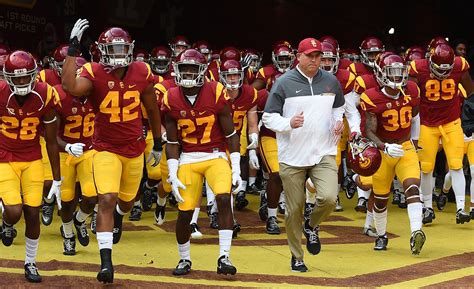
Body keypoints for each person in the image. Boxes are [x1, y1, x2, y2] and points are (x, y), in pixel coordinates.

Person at [61, 19, 163, 283]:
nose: (118, 56)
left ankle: (119, 217)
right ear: (101, 51)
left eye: (122, 50)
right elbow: (70, 87)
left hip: (134, 149)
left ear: (129, 50)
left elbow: (152, 109)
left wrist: (160, 142)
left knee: (126, 203)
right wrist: (73, 49)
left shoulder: (142, 71)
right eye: (113, 50)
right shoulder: (94, 72)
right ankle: (106, 262)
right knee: (106, 198)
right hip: (105, 148)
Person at [262, 37, 345, 272]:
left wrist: (338, 121)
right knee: (293, 210)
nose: (315, 60)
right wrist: (289, 122)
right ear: (298, 56)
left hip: (323, 151)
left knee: (329, 198)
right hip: (292, 156)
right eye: (310, 55)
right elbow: (268, 117)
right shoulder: (283, 83)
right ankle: (297, 256)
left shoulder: (331, 81)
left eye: (318, 56)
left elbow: (338, 107)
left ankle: (312, 224)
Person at [162, 49, 241, 276]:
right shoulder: (170, 97)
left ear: (202, 71)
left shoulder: (216, 91)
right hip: (188, 158)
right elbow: (173, 141)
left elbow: (231, 135)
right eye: (183, 68)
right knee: (185, 212)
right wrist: (173, 172)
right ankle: (184, 259)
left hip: (215, 155)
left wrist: (235, 167)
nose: (187, 73)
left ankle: (224, 256)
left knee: (224, 198)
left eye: (192, 68)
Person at [0, 50, 62, 283]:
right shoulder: (0, 93)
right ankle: (6, 222)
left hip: (33, 157)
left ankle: (30, 263)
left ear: (34, 75)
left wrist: (57, 178)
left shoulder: (45, 94)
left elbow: (52, 140)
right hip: (5, 158)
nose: (23, 82)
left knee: (32, 213)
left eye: (27, 77)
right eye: (17, 78)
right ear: (7, 77)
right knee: (14, 212)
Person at [360, 53, 426, 254]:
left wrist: (414, 143)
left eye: (400, 73)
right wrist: (384, 146)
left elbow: (415, 118)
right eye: (392, 73)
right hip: (384, 152)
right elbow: (369, 130)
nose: (398, 78)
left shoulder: (412, 90)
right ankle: (381, 235)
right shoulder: (371, 97)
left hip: (405, 147)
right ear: (380, 74)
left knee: (412, 187)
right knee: (380, 198)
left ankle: (417, 231)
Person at [409, 43, 473, 224]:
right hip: (427, 124)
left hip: (451, 122)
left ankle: (461, 208)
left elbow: (470, 91)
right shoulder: (418, 68)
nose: (444, 74)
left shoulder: (460, 65)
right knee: (427, 167)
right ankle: (427, 207)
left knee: (456, 164)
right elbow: (412, 95)